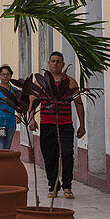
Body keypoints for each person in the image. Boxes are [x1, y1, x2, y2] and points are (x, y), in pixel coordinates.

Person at [30, 51, 86, 199]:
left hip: (65, 124)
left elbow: (78, 103)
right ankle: (53, 186)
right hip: (47, 124)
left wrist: (82, 125)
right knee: (50, 156)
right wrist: (31, 118)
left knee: (67, 154)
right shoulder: (41, 82)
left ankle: (67, 186)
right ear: (49, 63)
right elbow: (33, 100)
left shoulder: (70, 82)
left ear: (62, 64)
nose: (55, 64)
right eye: (53, 61)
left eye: (58, 61)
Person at [0, 64, 18, 150]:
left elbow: (18, 104)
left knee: (7, 148)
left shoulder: (14, 90)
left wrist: (20, 116)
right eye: (3, 74)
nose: (5, 76)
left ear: (11, 76)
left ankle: (4, 164)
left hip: (10, 122)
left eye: (8, 74)